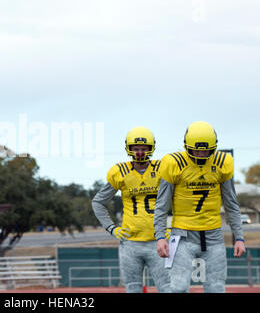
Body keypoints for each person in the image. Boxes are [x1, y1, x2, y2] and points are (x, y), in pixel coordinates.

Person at [154, 121, 245, 293]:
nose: (201, 154)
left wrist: (239, 237)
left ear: (214, 147)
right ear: (187, 146)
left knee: (216, 288)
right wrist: (160, 237)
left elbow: (231, 204)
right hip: (182, 236)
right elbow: (161, 205)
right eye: (197, 150)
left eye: (206, 150)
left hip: (213, 236)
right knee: (178, 288)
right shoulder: (174, 163)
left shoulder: (221, 162)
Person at [92, 127, 170, 293]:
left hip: (158, 241)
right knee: (132, 289)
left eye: (144, 148)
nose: (140, 152)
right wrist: (112, 228)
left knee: (167, 288)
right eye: (136, 148)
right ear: (129, 148)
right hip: (130, 243)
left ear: (151, 149)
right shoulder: (120, 172)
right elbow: (98, 202)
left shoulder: (162, 169)